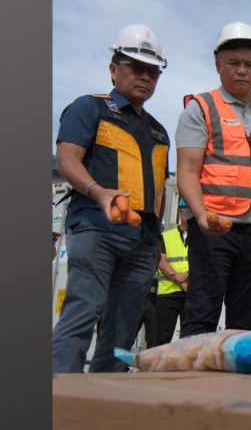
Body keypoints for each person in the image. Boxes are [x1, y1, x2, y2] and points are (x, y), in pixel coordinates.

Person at [52, 24, 170, 372]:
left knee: (122, 325)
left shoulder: (158, 130)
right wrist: (99, 192)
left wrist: (158, 242)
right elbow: (67, 158)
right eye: (135, 68)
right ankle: (60, 400)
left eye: (152, 72)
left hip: (143, 240)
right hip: (95, 227)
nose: (145, 77)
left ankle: (104, 403)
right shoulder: (89, 108)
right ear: (114, 68)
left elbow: (160, 191)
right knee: (83, 309)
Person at [175, 22, 251, 337]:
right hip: (213, 227)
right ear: (217, 64)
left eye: (250, 64)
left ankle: (234, 385)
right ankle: (191, 382)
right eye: (233, 63)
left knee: (245, 319)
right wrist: (201, 215)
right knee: (202, 310)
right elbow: (187, 171)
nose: (242, 71)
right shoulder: (201, 108)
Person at [151, 199, 190, 345]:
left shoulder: (202, 239)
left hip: (191, 293)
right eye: (188, 210)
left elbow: (203, 263)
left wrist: (184, 278)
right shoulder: (166, 236)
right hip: (168, 293)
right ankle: (159, 368)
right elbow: (161, 262)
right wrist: (179, 279)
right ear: (180, 212)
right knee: (161, 337)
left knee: (189, 338)